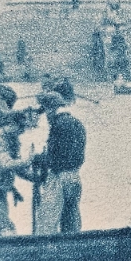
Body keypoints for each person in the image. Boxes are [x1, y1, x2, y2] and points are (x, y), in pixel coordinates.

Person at [34, 83, 86, 235]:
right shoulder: (78, 124)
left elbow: (55, 157)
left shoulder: (57, 125)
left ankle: (43, 255)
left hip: (59, 179)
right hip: (75, 178)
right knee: (71, 223)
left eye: (46, 111)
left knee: (46, 223)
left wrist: (37, 158)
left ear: (52, 109)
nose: (46, 117)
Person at [0, 104, 36, 228]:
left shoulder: (13, 142)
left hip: (0, 190)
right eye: (20, 127)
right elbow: (6, 164)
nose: (22, 131)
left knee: (1, 223)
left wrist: (36, 178)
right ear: (11, 125)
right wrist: (28, 160)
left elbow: (18, 169)